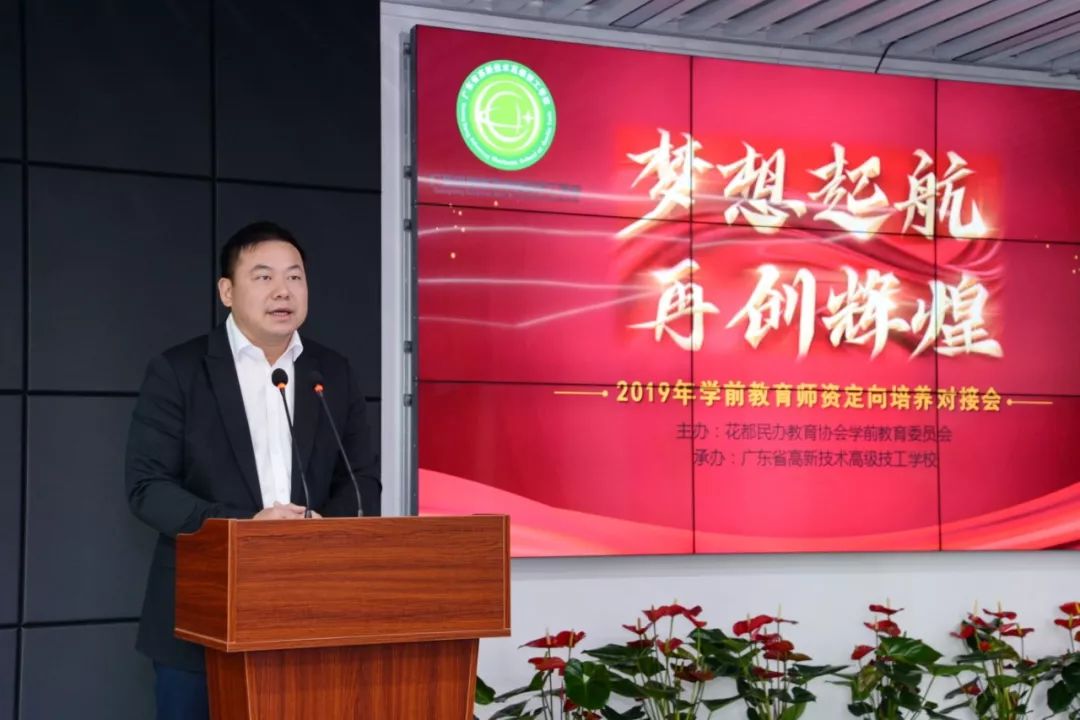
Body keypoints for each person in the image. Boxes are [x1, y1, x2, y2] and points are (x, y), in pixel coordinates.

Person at [125, 221, 380, 720]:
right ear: (227, 291)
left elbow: (361, 480)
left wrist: (321, 526)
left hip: (310, 614)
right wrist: (245, 527)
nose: (283, 291)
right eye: (264, 277)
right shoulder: (180, 370)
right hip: (199, 619)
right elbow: (147, 487)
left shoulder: (332, 372)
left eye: (295, 277)